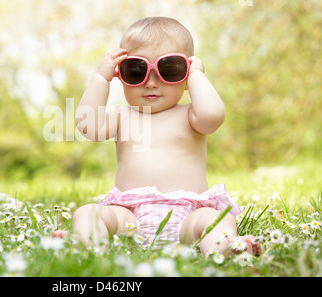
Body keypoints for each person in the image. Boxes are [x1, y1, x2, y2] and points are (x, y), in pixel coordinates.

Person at [69, 17, 260, 257]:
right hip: (130, 216)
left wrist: (198, 76)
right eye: (136, 71)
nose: (150, 83)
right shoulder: (121, 115)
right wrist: (100, 79)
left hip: (188, 215)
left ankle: (222, 249)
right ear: (120, 75)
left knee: (214, 220)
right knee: (87, 213)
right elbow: (89, 126)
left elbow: (213, 116)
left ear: (186, 74)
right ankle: (89, 249)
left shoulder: (191, 115)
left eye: (168, 70)